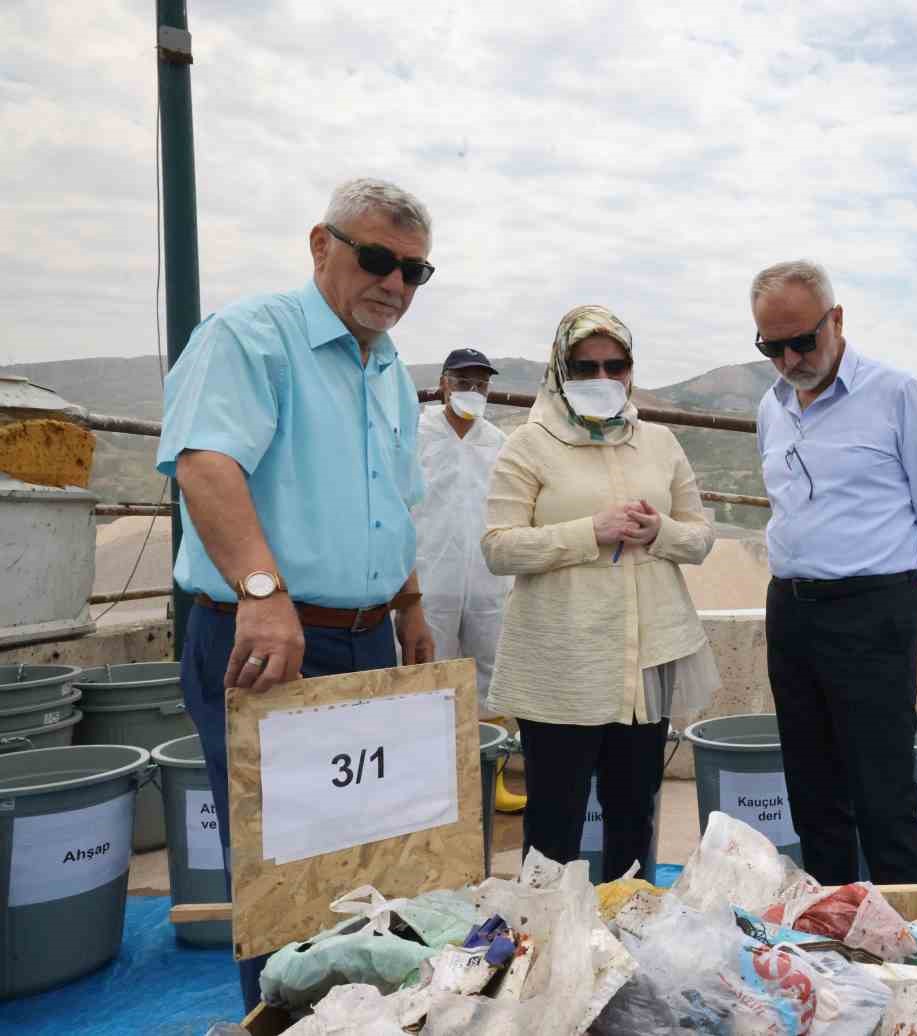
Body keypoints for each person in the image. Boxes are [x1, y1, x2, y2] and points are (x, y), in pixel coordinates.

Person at [156, 178, 437, 1011]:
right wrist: (262, 590)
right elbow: (207, 462)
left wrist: (410, 604)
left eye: (414, 272)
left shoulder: (386, 369)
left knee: (372, 862)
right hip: (269, 640)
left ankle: (363, 1023)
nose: (393, 283)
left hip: (365, 640)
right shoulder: (251, 338)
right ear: (322, 246)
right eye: (377, 258)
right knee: (286, 873)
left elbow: (393, 499)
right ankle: (283, 1024)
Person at [481, 304, 719, 882]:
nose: (603, 379)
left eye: (616, 366)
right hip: (563, 665)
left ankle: (629, 932)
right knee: (555, 822)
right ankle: (549, 943)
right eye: (585, 368)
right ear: (561, 371)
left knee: (633, 813)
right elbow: (498, 547)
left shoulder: (660, 443)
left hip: (643, 664)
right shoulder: (528, 445)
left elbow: (700, 537)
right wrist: (590, 533)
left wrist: (658, 531)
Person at [753, 259, 917, 886]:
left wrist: (901, 590)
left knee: (884, 792)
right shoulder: (771, 406)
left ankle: (910, 947)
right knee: (811, 789)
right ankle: (835, 938)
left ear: (836, 320)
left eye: (802, 341)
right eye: (772, 347)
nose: (790, 359)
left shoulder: (896, 395)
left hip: (873, 609)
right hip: (791, 611)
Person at [412, 346, 525, 813]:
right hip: (428, 575)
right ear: (443, 383)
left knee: (489, 673)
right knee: (430, 675)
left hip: (485, 578)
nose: (472, 391)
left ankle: (490, 779)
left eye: (481, 383)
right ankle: (431, 784)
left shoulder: (498, 440)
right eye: (462, 381)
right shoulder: (416, 433)